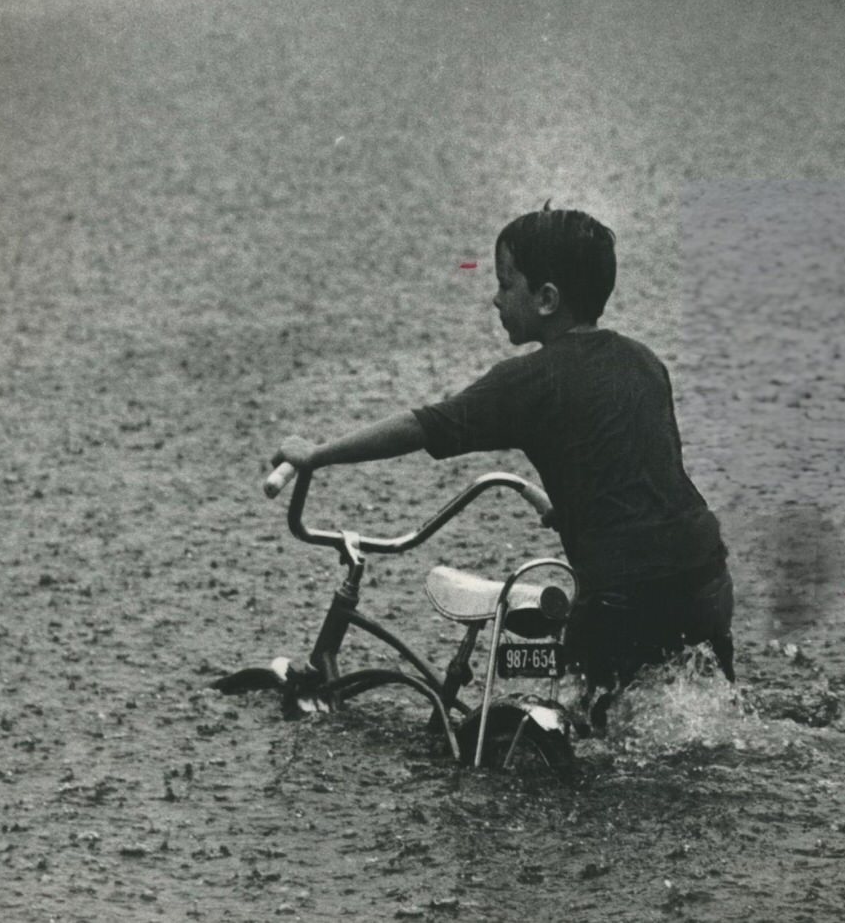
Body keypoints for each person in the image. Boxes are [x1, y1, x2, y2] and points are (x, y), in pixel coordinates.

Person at [272, 206, 734, 725]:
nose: (494, 298)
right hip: (703, 575)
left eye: (505, 283)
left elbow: (421, 426)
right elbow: (641, 471)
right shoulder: (645, 361)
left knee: (575, 719)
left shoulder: (529, 380)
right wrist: (568, 510)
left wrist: (318, 453)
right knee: (695, 713)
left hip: (624, 590)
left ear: (546, 299)